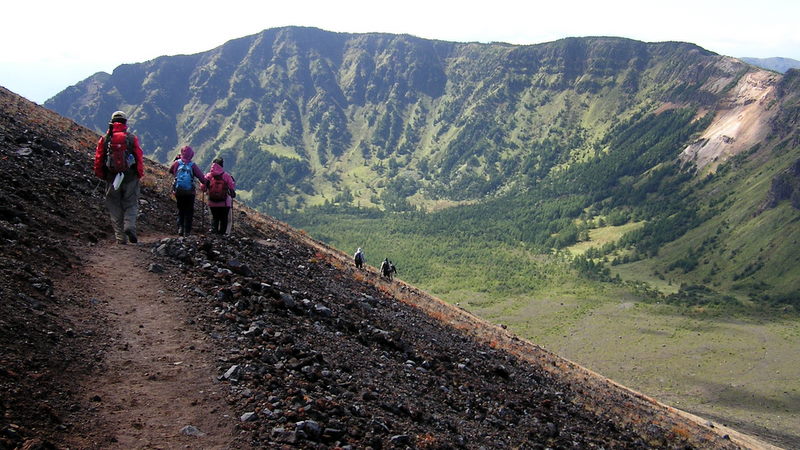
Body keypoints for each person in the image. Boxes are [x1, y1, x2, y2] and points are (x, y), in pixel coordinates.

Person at [93, 110, 144, 245]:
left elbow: (99, 158)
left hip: (111, 178)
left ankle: (120, 238)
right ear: (125, 123)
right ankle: (129, 226)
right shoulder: (131, 138)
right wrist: (139, 173)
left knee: (114, 206)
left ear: (112, 122)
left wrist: (101, 174)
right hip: (130, 177)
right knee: (131, 203)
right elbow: (139, 157)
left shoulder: (105, 139)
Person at [169, 145, 207, 236]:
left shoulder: (177, 163)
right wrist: (206, 183)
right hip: (190, 192)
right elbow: (202, 178)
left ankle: (180, 228)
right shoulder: (192, 165)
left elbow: (170, 171)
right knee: (189, 210)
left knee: (181, 209)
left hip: (179, 190)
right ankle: (187, 231)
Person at [200, 157, 236, 235]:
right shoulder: (226, 176)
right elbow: (232, 187)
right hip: (224, 203)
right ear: (222, 165)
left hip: (212, 202)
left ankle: (214, 234)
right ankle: (222, 235)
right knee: (224, 219)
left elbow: (203, 188)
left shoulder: (209, 176)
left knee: (215, 218)